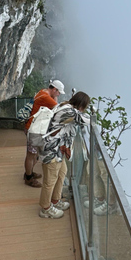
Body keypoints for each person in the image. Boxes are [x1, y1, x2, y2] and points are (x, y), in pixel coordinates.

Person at [38, 91, 90, 219]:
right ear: (81, 105)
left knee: (62, 174)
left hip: (58, 150)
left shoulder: (64, 106)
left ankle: (55, 201)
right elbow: (86, 120)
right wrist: (90, 115)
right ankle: (45, 208)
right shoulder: (69, 112)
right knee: (50, 180)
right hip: (51, 151)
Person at [23, 79, 65, 187]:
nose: (59, 94)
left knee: (34, 154)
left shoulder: (42, 92)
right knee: (31, 155)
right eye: (58, 92)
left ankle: (30, 172)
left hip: (33, 128)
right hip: (34, 130)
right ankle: (28, 178)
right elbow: (58, 109)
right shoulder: (46, 98)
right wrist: (55, 97)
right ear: (54, 89)